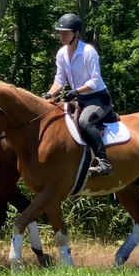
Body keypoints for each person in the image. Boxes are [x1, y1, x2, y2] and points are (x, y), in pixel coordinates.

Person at [43, 13, 113, 177]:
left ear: (76, 33)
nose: (61, 36)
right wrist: (49, 94)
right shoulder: (61, 53)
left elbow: (95, 81)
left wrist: (76, 91)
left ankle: (104, 162)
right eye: (60, 33)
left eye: (65, 33)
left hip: (98, 98)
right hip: (80, 99)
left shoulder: (89, 52)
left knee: (84, 122)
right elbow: (59, 80)